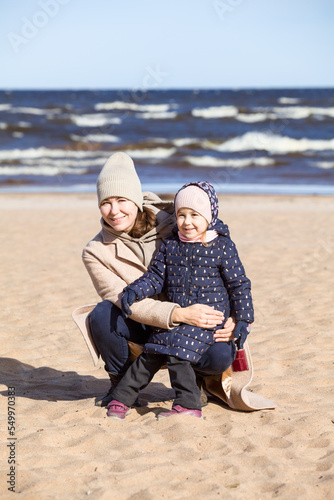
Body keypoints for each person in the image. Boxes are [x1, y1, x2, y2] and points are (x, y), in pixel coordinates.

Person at [82, 152, 237, 408]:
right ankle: (120, 383)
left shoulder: (180, 224)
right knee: (102, 314)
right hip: (145, 324)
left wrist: (234, 317)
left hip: (196, 321)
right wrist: (178, 314)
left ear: (136, 200)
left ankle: (194, 380)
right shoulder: (96, 251)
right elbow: (123, 300)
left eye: (122, 200)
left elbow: (224, 273)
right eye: (105, 202)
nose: (114, 211)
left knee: (220, 355)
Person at [106, 180, 253, 420]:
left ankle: (188, 404)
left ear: (209, 216)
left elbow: (239, 285)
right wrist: (134, 291)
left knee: (178, 353)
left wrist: (243, 320)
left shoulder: (222, 246)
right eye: (181, 215)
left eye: (195, 215)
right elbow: (155, 277)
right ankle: (122, 398)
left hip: (209, 320)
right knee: (152, 352)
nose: (187, 222)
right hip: (181, 317)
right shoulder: (170, 246)